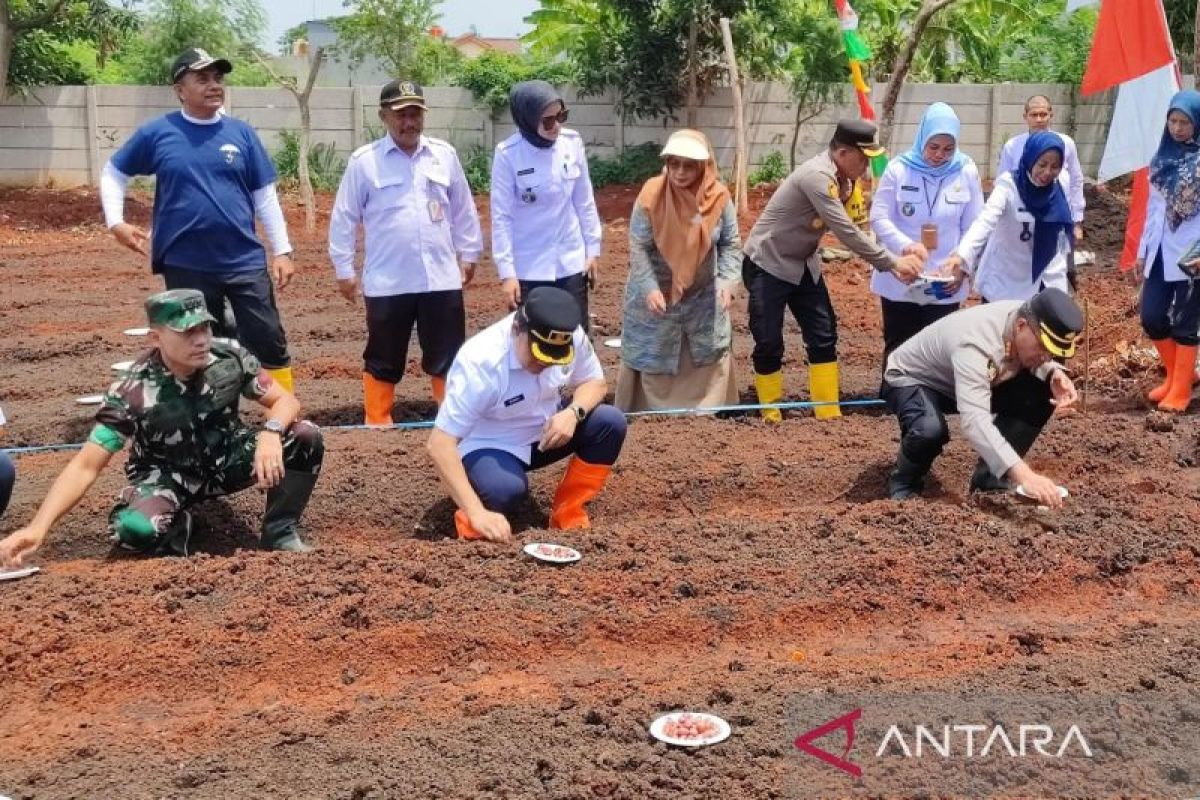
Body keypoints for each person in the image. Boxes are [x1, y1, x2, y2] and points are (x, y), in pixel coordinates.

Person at [0, 290, 324, 567]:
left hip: (226, 460)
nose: (200, 340)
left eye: (204, 328)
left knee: (304, 435)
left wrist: (270, 431)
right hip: (166, 476)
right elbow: (85, 465)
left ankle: (279, 531)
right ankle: (172, 518)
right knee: (136, 531)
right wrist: (37, 528)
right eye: (186, 332)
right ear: (156, 337)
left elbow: (286, 402)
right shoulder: (132, 391)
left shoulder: (229, 357)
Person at [99, 48, 299, 393]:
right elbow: (114, 171)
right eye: (202, 78)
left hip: (243, 260)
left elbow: (264, 195)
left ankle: (286, 415)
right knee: (200, 344)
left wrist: (282, 250)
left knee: (268, 338)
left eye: (218, 78)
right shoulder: (158, 133)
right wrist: (115, 222)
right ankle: (214, 419)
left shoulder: (242, 134)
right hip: (185, 262)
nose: (214, 85)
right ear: (180, 89)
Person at [742, 118, 924, 422]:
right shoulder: (817, 177)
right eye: (863, 158)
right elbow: (845, 232)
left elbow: (859, 225)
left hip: (803, 264)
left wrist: (901, 247)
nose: (867, 165)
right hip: (768, 262)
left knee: (823, 334)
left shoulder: (846, 181)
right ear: (842, 154)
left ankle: (827, 411)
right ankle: (770, 413)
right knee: (769, 339)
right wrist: (891, 263)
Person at [329, 80, 483, 424]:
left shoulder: (444, 155)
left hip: (440, 278)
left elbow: (463, 209)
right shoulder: (364, 162)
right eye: (400, 114)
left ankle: (452, 422)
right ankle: (377, 423)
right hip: (388, 281)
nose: (408, 122)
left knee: (448, 354)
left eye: (415, 114)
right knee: (383, 356)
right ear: (384, 116)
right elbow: (344, 217)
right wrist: (344, 268)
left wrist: (470, 252)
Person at [426, 287, 627, 543]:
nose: (541, 365)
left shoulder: (569, 334)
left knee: (610, 423)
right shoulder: (481, 363)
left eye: (551, 359)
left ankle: (568, 514)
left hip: (546, 432)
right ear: (516, 330)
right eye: (536, 355)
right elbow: (439, 444)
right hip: (490, 444)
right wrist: (477, 513)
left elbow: (595, 383)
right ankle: (470, 524)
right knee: (505, 491)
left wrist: (573, 413)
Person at [881, 287, 1082, 506]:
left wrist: (1052, 373)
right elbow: (975, 421)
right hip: (912, 379)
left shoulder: (1024, 317)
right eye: (1043, 347)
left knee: (1041, 390)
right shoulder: (974, 344)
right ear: (1021, 325)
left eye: (1052, 353)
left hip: (962, 381)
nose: (1046, 356)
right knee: (929, 430)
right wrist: (1025, 476)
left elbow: (1024, 353)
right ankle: (904, 487)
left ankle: (990, 480)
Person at [615, 129, 741, 412]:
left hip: (702, 296)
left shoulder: (719, 199)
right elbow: (638, 246)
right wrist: (649, 289)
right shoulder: (651, 196)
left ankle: (707, 409)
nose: (680, 172)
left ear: (703, 167)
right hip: (657, 293)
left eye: (689, 166)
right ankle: (649, 414)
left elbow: (731, 243)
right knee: (655, 349)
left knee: (705, 350)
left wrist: (728, 281)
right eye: (675, 164)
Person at [869, 102, 985, 362]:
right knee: (900, 341)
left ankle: (934, 400)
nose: (939, 155)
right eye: (933, 147)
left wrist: (963, 264)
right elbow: (878, 217)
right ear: (922, 138)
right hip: (903, 274)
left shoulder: (966, 170)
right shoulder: (899, 169)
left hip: (945, 276)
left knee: (939, 346)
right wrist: (904, 247)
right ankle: (897, 396)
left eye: (948, 149)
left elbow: (975, 224)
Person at [490, 80, 602, 327]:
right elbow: (501, 217)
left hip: (570, 263)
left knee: (576, 336)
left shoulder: (572, 143)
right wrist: (507, 274)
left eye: (561, 116)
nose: (557, 126)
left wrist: (593, 250)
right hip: (529, 268)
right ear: (527, 119)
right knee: (532, 343)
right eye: (548, 120)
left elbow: (584, 200)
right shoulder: (508, 154)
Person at [943, 132, 1074, 303]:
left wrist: (1067, 268)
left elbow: (1063, 230)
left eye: (1055, 166)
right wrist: (962, 255)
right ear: (1030, 158)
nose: (1047, 172)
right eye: (1042, 164)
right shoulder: (1009, 185)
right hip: (1006, 276)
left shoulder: (1061, 183)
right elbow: (985, 221)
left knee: (1038, 327)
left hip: (1047, 275)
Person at [1135, 90, 1200, 413]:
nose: (1177, 128)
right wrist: (1143, 251)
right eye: (1172, 121)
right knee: (1151, 316)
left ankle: (1182, 390)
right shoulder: (1161, 159)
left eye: (1184, 122)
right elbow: (1153, 210)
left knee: (1186, 323)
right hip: (1160, 248)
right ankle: (1179, 375)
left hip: (1193, 251)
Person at [997, 95, 1085, 243]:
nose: (1039, 119)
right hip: (1022, 219)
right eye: (1034, 115)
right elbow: (1001, 185)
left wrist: (1077, 221)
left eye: (1043, 114)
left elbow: (1076, 181)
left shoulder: (1066, 143)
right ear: (1025, 116)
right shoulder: (1012, 146)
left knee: (1059, 261)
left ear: (1051, 115)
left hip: (1058, 215)